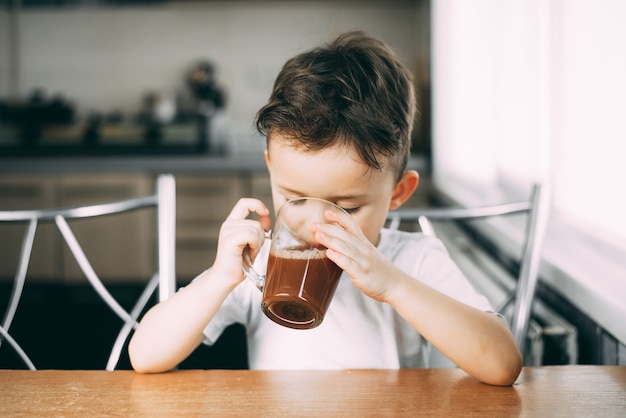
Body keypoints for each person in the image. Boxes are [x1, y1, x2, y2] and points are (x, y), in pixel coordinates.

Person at [128, 31, 522, 386]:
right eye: (293, 198)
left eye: (346, 207)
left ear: (399, 193)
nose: (314, 225)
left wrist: (396, 286)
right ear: (270, 168)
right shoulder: (261, 264)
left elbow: (503, 365)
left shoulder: (412, 261)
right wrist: (218, 278)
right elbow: (145, 357)